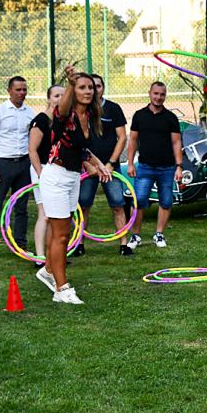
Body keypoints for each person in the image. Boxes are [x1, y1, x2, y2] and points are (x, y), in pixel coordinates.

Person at [35, 67, 111, 304]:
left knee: (61, 233)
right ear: (74, 90)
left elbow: (80, 148)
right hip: (56, 177)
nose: (88, 91)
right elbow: (62, 109)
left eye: (91, 87)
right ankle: (62, 288)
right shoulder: (64, 115)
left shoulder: (88, 117)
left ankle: (48, 271)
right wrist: (68, 84)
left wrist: (98, 164)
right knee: (62, 235)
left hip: (71, 178)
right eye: (82, 87)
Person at [74, 74, 133, 257]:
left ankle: (124, 245)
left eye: (97, 86)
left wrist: (110, 164)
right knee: (83, 206)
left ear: (103, 88)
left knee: (117, 205)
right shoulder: (80, 111)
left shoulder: (113, 109)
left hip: (111, 169)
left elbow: (122, 137)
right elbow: (76, 142)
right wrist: (89, 165)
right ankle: (79, 244)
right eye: (90, 87)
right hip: (87, 169)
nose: (94, 90)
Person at [0, 76, 36, 260]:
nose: (22, 93)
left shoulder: (30, 113)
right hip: (2, 165)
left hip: (24, 164)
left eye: (24, 90)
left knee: (22, 207)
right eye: (18, 90)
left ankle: (21, 244)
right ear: (9, 91)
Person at [126, 81, 183, 250]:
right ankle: (136, 236)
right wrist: (130, 163)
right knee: (139, 201)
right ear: (149, 94)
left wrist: (179, 166)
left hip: (166, 168)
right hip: (145, 167)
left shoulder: (170, 118)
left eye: (162, 94)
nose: (159, 97)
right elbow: (133, 141)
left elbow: (176, 143)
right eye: (156, 93)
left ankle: (159, 234)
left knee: (166, 202)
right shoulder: (139, 115)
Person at [28, 84, 65, 267]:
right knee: (45, 214)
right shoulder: (41, 120)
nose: (60, 99)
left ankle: (53, 255)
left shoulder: (64, 120)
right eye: (56, 95)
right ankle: (40, 257)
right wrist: (40, 173)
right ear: (48, 99)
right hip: (42, 169)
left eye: (63, 96)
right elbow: (32, 150)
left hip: (58, 170)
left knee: (56, 215)